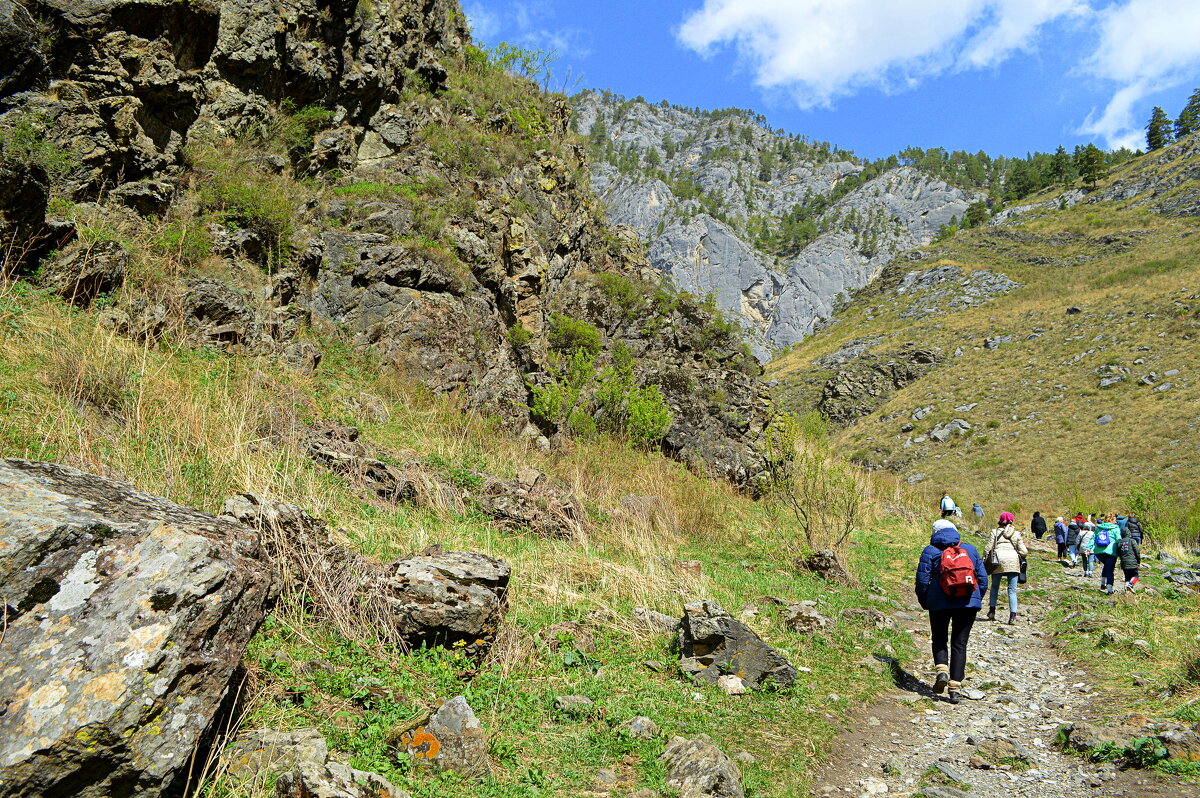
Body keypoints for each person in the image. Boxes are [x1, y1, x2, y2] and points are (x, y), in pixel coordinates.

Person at [915, 519, 988, 704]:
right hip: (967, 602)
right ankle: (954, 689)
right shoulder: (970, 549)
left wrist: (926, 602)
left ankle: (942, 671)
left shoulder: (930, 551)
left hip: (938, 603)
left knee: (939, 637)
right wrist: (976, 598)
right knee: (959, 643)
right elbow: (983, 578)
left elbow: (922, 581)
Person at [986, 512, 1028, 624]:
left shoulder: (994, 532)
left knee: (995, 587)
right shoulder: (1016, 534)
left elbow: (987, 549)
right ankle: (1013, 616)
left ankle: (992, 611)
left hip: (997, 561)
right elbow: (1024, 551)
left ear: (1000, 521)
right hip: (1013, 561)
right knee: (1012, 590)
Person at [1094, 515, 1121, 594]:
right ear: (1111, 520)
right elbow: (1118, 539)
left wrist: (1088, 549)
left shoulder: (1098, 528)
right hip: (1111, 552)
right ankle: (1109, 589)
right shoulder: (1115, 528)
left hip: (1099, 552)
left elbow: (1093, 538)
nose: (1116, 522)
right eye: (1114, 520)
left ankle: (1103, 583)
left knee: (1106, 565)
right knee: (1110, 570)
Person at [1117, 525, 1142, 591]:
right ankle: (1130, 584)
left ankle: (1126, 588)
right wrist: (1138, 561)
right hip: (1133, 561)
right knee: (1135, 575)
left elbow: (1118, 553)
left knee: (1127, 577)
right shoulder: (1132, 541)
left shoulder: (1120, 542)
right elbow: (1137, 551)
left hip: (1124, 562)